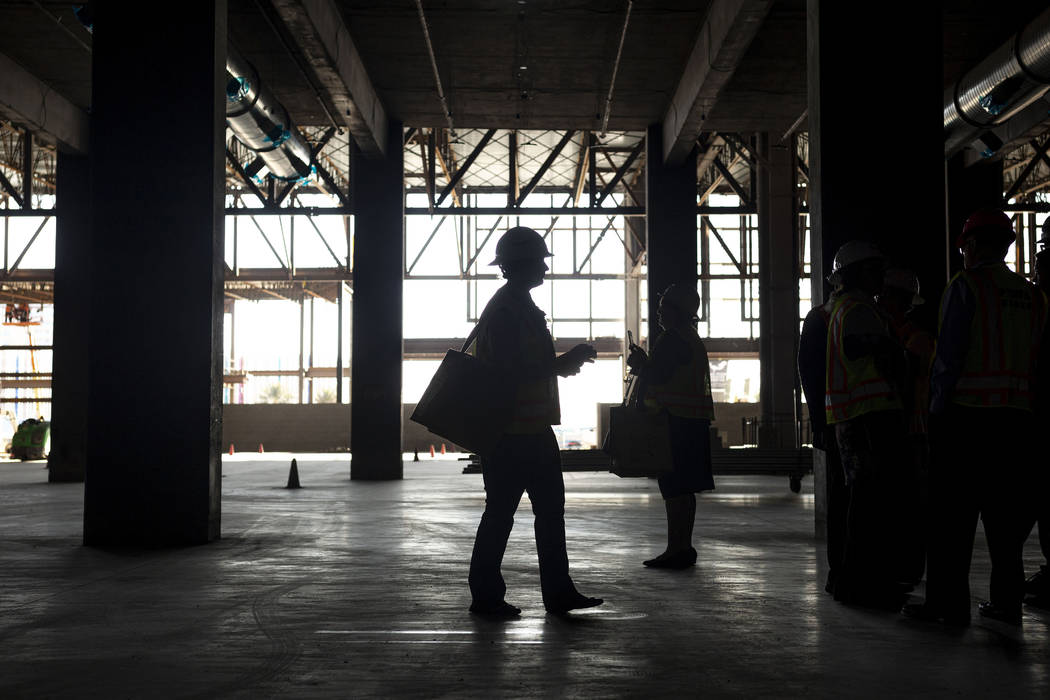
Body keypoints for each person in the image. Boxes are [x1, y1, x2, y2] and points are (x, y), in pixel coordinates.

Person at [905, 208, 1047, 626]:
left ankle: (947, 606)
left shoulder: (967, 287)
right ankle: (1006, 603)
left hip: (967, 419)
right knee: (1006, 522)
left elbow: (948, 357)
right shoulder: (1034, 296)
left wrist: (936, 410)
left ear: (968, 246)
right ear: (1007, 246)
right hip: (1018, 422)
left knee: (952, 520)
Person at [467, 226, 604, 618]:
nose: (544, 266)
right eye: (539, 260)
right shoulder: (507, 311)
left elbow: (528, 365)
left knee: (546, 514)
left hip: (531, 430)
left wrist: (560, 365)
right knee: (501, 514)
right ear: (520, 265)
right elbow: (511, 370)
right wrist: (561, 364)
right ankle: (487, 596)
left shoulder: (521, 308)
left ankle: (558, 593)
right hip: (510, 435)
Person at [823, 240, 908, 609]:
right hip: (868, 417)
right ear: (855, 274)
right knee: (871, 505)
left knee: (864, 502)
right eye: (874, 271)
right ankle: (862, 583)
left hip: (857, 417)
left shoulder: (844, 308)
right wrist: (894, 351)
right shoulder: (857, 309)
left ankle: (851, 580)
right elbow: (869, 352)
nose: (881, 279)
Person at [627, 283, 715, 569]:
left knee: (674, 488)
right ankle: (682, 546)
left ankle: (676, 548)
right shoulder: (690, 338)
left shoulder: (672, 339)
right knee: (684, 488)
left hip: (675, 422)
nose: (659, 312)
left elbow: (659, 376)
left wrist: (641, 363)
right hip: (691, 422)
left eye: (664, 306)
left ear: (677, 311)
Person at [877, 268, 935, 586]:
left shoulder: (917, 339)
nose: (880, 302)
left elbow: (911, 385)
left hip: (916, 430)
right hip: (900, 427)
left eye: (885, 297)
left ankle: (910, 568)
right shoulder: (892, 336)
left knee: (913, 505)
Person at [798, 278, 847, 594]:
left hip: (866, 419)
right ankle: (842, 571)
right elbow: (810, 371)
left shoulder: (868, 311)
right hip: (841, 421)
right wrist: (819, 422)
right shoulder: (824, 317)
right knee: (843, 499)